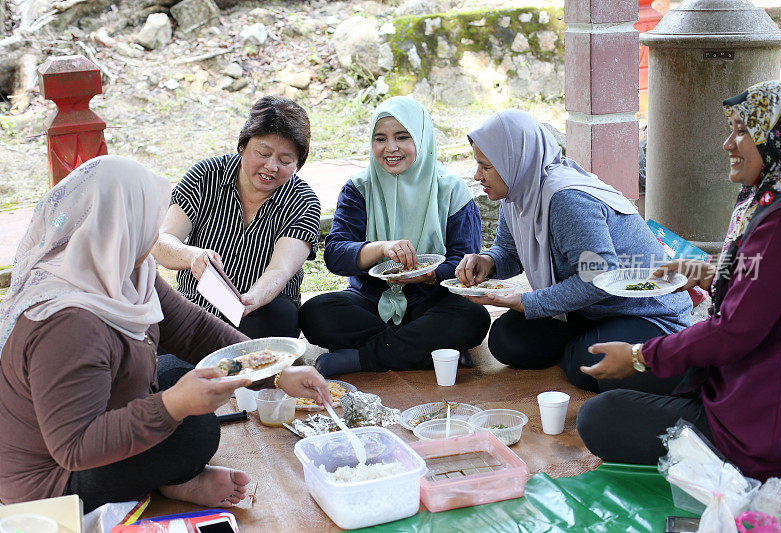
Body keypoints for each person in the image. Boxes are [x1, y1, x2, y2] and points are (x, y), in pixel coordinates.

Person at [0, 156, 330, 512]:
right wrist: (173, 405)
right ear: (122, 226)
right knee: (194, 431)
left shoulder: (125, 268)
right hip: (55, 479)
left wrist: (277, 372)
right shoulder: (67, 323)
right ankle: (175, 482)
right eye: (147, 219)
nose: (154, 232)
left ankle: (171, 479)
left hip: (96, 417)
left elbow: (192, 329)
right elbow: (75, 446)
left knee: (175, 371)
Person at [577, 80, 781, 482]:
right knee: (605, 381)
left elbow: (734, 332)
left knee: (599, 416)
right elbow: (770, 289)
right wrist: (715, 273)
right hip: (738, 378)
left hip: (760, 420)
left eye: (744, 130)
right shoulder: (771, 197)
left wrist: (639, 355)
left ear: (777, 138)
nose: (728, 144)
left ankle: (722, 456)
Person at [455, 110, 693, 394]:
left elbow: (600, 277)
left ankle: (588, 346)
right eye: (478, 165)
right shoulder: (518, 191)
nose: (477, 175)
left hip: (641, 311)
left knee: (589, 365)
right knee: (506, 340)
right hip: (585, 309)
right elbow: (508, 250)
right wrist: (488, 261)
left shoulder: (566, 200)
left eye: (486, 167)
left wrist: (529, 303)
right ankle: (579, 343)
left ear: (512, 162)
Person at [299, 96, 490, 377]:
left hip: (432, 300)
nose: (390, 148)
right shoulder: (358, 188)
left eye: (402, 137)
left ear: (422, 138)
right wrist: (382, 249)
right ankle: (430, 351)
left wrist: (429, 275)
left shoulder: (451, 190)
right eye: (380, 138)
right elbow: (336, 255)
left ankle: (361, 359)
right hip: (369, 301)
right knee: (315, 313)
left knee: (472, 318)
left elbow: (464, 261)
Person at [152, 96, 321, 339]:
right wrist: (193, 256)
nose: (271, 167)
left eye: (285, 161)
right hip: (196, 306)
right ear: (242, 146)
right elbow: (162, 242)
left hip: (261, 311)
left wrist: (251, 299)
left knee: (276, 318)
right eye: (262, 153)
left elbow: (280, 271)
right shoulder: (205, 176)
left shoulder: (302, 201)